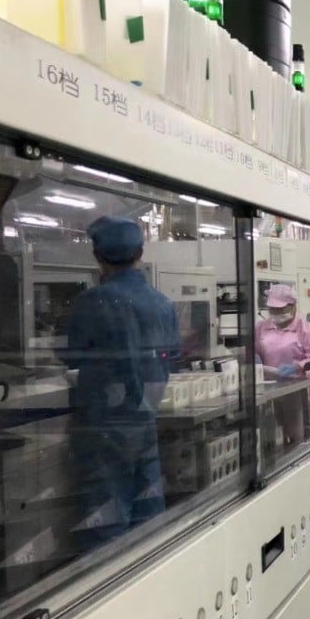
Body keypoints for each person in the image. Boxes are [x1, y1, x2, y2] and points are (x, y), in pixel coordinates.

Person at [64, 216, 181, 547]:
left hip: (104, 427)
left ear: (97, 256)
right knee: (148, 509)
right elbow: (172, 354)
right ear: (140, 253)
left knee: (106, 519)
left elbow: (71, 355)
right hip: (145, 421)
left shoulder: (93, 302)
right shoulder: (162, 303)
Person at [255, 284, 310, 447]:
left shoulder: (306, 329)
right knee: (273, 437)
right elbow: (252, 350)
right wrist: (254, 360)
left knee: (299, 438)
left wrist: (298, 366)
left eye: (280, 309)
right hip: (270, 390)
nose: (276, 313)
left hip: (298, 392)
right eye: (272, 309)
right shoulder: (261, 328)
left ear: (293, 306)